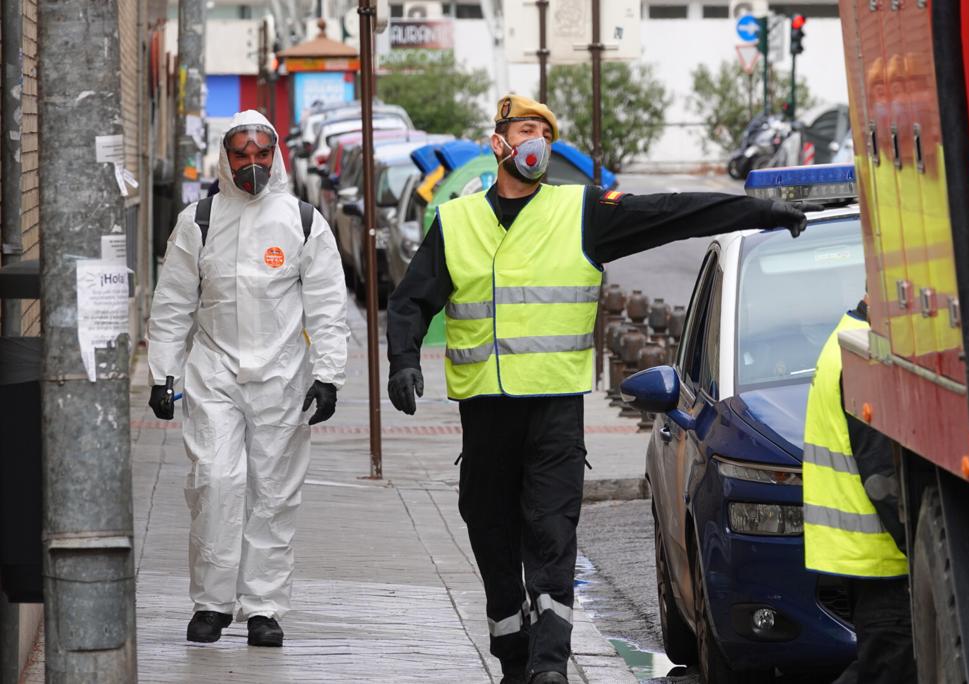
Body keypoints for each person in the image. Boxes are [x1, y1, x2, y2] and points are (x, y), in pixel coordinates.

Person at [386, 94, 816, 684]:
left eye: (544, 131)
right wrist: (402, 359)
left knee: (552, 531)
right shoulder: (457, 221)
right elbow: (411, 299)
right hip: (484, 415)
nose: (536, 140)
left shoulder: (579, 211)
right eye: (525, 130)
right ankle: (513, 655)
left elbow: (671, 212)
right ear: (499, 144)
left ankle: (549, 664)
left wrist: (755, 212)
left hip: (555, 415)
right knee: (489, 531)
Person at [147, 110, 350, 647]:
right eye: (242, 154)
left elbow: (327, 306)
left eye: (262, 153)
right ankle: (212, 603)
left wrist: (328, 374)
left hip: (283, 379)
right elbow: (171, 305)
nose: (252, 164)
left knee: (273, 493)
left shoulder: (304, 221)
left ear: (275, 155)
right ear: (226, 157)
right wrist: (163, 375)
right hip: (213, 375)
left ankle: (262, 606)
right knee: (216, 482)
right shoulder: (200, 221)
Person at [802, 297, 915, 683]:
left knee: (881, 665)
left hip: (861, 555)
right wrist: (920, 549)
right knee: (889, 667)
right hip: (881, 558)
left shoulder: (846, 338)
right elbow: (883, 477)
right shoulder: (866, 353)